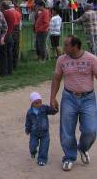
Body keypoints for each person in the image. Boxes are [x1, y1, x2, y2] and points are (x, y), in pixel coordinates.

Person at [49, 35, 97, 172]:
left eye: (66, 45)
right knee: (66, 130)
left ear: (75, 47)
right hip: (69, 97)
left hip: (88, 98)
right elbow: (57, 79)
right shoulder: (62, 60)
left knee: (91, 130)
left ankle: (82, 148)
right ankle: (69, 157)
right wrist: (53, 98)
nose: (64, 47)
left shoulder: (92, 59)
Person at [25, 92, 58, 166]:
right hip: (34, 133)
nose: (39, 104)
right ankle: (33, 152)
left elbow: (52, 111)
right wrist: (27, 129)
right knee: (32, 145)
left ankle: (42, 159)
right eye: (36, 103)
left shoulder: (44, 108)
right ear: (32, 103)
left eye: (40, 102)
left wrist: (55, 108)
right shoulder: (30, 112)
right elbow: (28, 122)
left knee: (44, 146)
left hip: (45, 132)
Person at [0, 1, 16, 77]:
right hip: (10, 34)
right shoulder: (12, 13)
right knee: (9, 54)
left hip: (5, 35)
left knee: (3, 54)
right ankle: (10, 70)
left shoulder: (4, 13)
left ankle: (4, 72)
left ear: (3, 7)